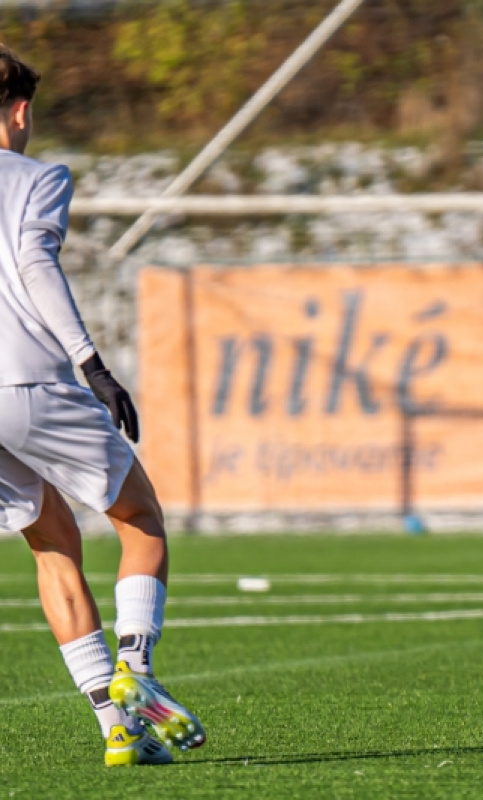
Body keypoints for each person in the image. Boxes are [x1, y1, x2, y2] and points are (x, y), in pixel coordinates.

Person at [0, 45, 206, 764]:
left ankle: (115, 729)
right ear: (19, 112)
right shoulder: (36, 175)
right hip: (26, 382)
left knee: (51, 542)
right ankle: (137, 676)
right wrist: (93, 364)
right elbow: (33, 262)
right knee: (141, 522)